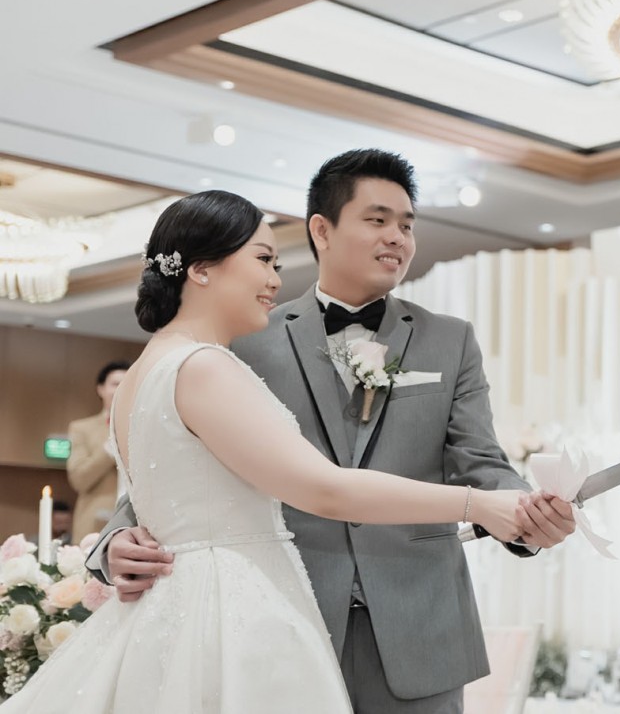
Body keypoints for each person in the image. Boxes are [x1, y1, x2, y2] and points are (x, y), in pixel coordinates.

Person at [0, 190, 529, 713]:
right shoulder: (205, 367)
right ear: (201, 270)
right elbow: (326, 489)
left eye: (276, 263)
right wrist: (476, 504)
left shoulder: (144, 370)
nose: (276, 279)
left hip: (176, 608)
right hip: (230, 612)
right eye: (262, 260)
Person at [66, 360, 130, 542]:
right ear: (100, 389)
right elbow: (79, 479)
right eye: (115, 384)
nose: (121, 389)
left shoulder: (144, 428)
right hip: (95, 523)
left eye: (127, 384)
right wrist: (110, 448)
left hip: (137, 522)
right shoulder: (82, 428)